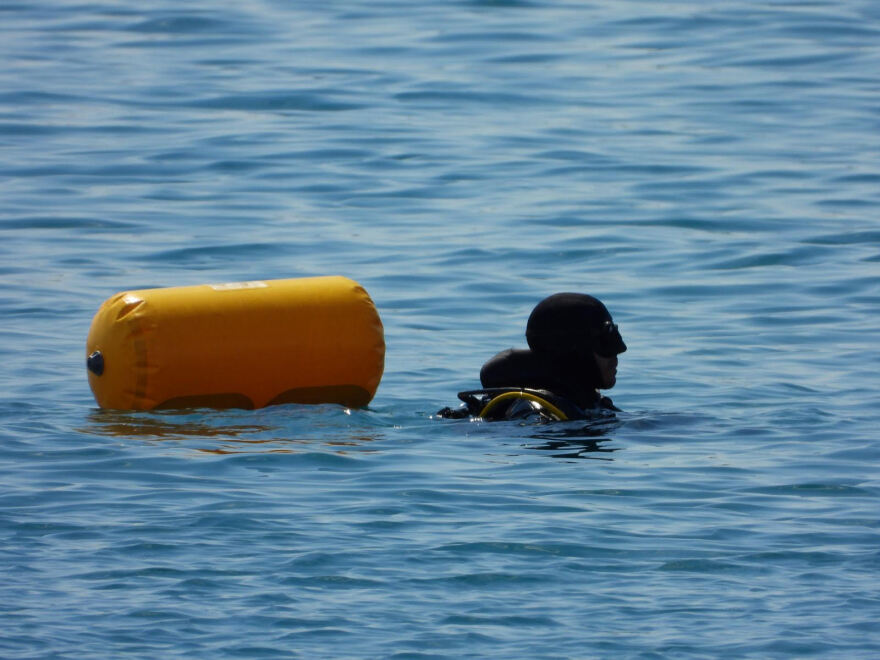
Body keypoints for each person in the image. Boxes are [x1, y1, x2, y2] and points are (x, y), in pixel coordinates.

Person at [438, 292, 627, 420]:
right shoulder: (533, 410)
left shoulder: (584, 403)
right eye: (605, 345)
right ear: (575, 353)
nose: (617, 354)